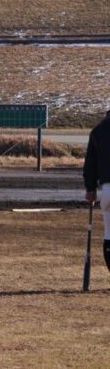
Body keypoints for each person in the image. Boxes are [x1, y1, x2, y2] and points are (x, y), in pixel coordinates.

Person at [83, 110, 110, 273]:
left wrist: (90, 188)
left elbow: (90, 164)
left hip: (108, 189)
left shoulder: (98, 131)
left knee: (109, 235)